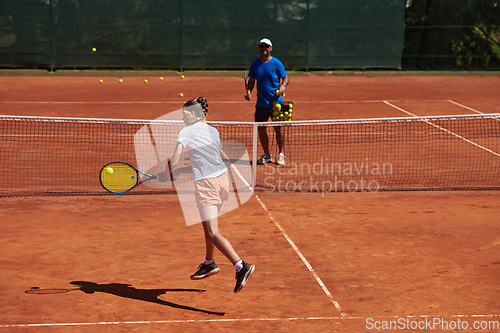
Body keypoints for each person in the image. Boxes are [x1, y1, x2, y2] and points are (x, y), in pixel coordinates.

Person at [159, 97, 255, 293]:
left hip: (207, 184)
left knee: (212, 231)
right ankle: (209, 262)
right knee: (208, 227)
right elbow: (210, 159)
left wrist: (165, 172)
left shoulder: (186, 132)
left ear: (194, 114)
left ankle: (240, 266)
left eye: (185, 115)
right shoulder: (213, 130)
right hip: (222, 180)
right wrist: (178, 172)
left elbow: (175, 160)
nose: (183, 119)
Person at [245, 38, 289, 165]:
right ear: (259, 48)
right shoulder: (255, 64)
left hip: (277, 103)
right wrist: (249, 91)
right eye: (261, 46)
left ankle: (281, 154)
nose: (263, 48)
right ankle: (267, 154)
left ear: (270, 48)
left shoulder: (276, 63)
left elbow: (285, 77)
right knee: (261, 128)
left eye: (266, 46)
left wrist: (283, 85)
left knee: (278, 129)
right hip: (261, 103)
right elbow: (252, 80)